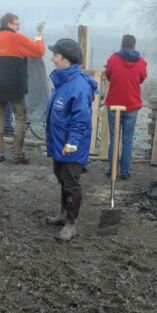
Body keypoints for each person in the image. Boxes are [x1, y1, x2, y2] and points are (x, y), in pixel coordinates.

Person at [44, 39, 98, 242]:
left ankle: (71, 223)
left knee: (72, 183)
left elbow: (80, 119)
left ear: (65, 60)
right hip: (60, 143)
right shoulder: (64, 81)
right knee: (62, 178)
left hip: (71, 145)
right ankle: (63, 214)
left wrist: (73, 142)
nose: (52, 58)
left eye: (55, 55)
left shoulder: (78, 87)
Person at [0, 12, 45, 164]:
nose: (18, 26)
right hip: (16, 86)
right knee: (20, 117)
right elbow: (38, 52)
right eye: (16, 23)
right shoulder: (17, 38)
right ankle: (17, 153)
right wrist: (39, 38)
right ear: (9, 24)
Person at [104, 34, 148, 179]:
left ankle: (112, 169)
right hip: (132, 105)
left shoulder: (112, 59)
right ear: (134, 46)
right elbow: (141, 79)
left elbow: (108, 76)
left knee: (114, 138)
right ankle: (124, 171)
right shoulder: (141, 63)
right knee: (127, 139)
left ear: (121, 44)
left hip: (114, 104)